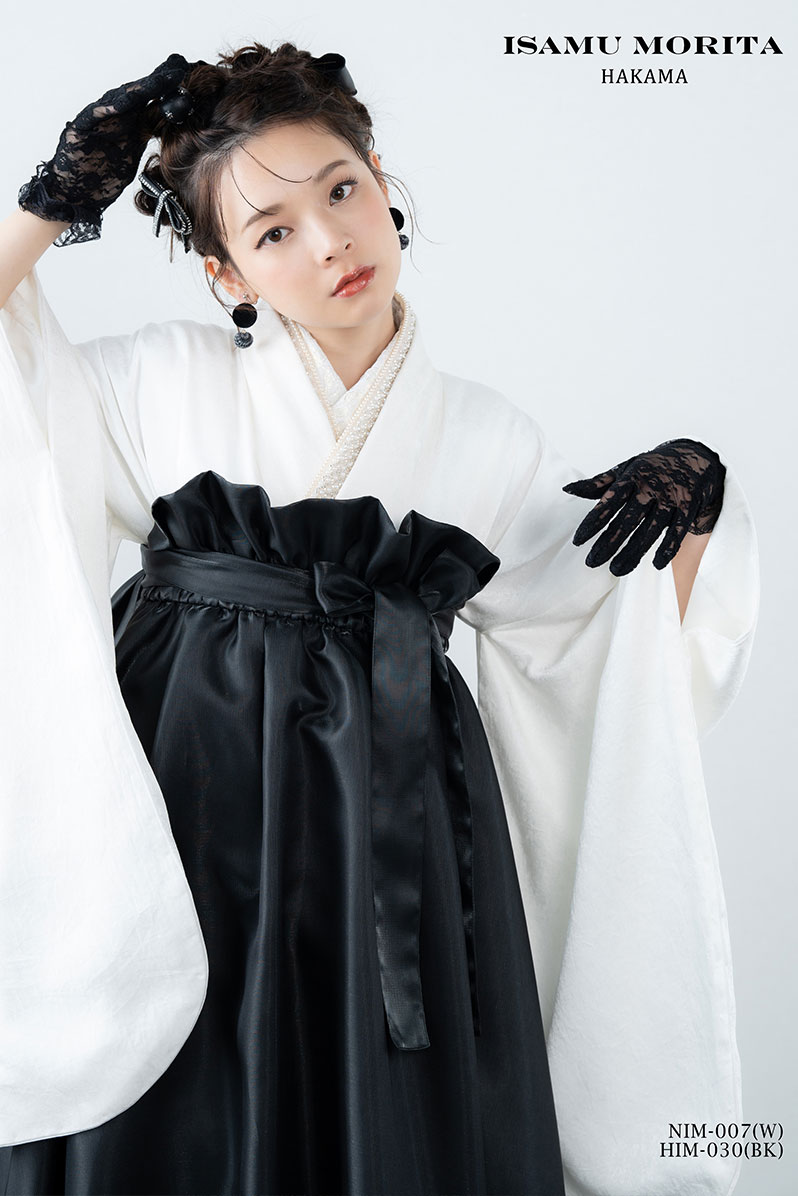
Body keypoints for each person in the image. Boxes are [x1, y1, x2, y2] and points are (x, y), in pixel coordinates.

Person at [0, 42, 758, 1196]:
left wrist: (694, 503)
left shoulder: (490, 437)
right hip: (188, 771)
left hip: (397, 798)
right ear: (225, 275)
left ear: (382, 180)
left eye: (341, 190)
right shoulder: (150, 380)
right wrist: (49, 207)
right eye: (272, 232)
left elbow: (599, 625)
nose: (328, 242)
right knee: (177, 1075)